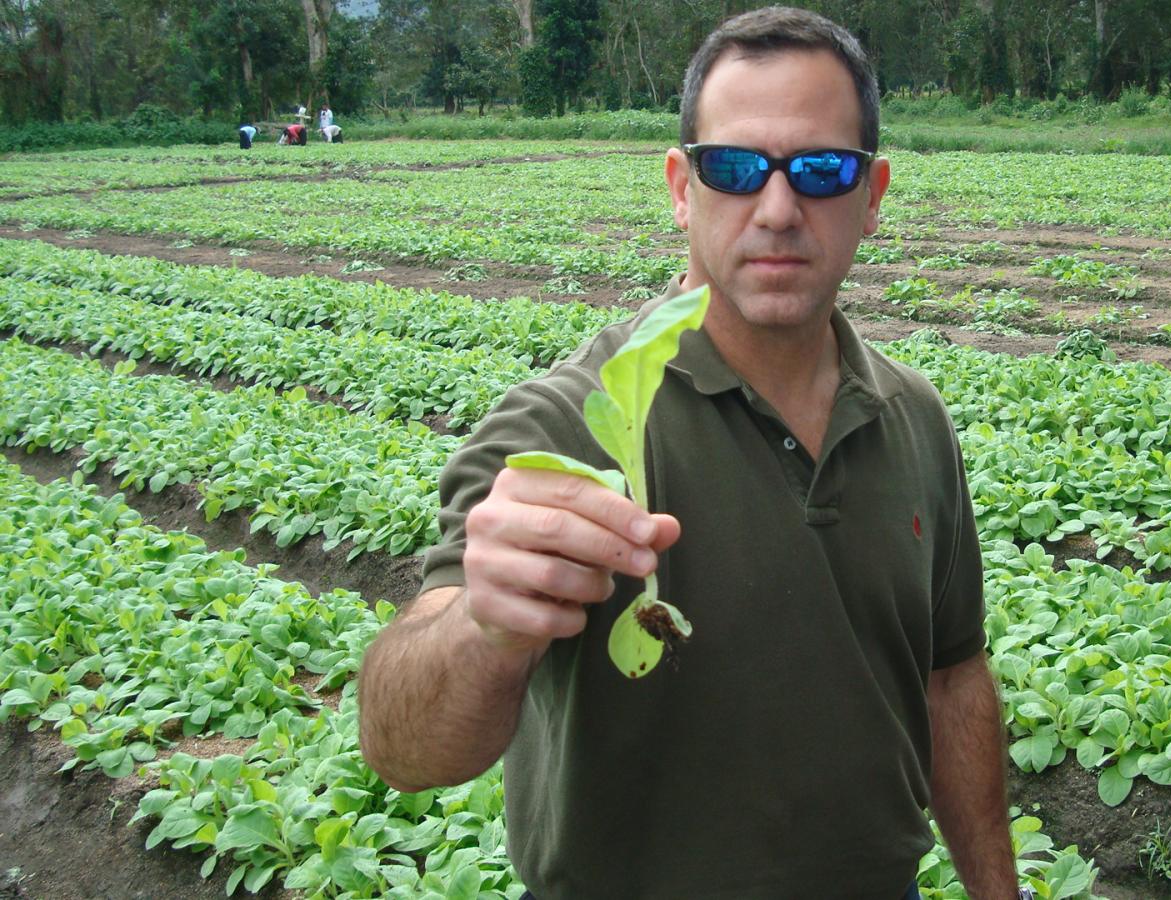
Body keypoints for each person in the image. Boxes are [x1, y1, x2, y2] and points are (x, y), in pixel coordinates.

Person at [358, 6, 1022, 900]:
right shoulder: (560, 430)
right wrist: (484, 629)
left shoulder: (912, 417)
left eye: (822, 170)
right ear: (681, 187)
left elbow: (951, 679)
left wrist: (998, 891)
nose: (778, 209)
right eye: (735, 168)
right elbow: (402, 750)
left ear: (872, 195)